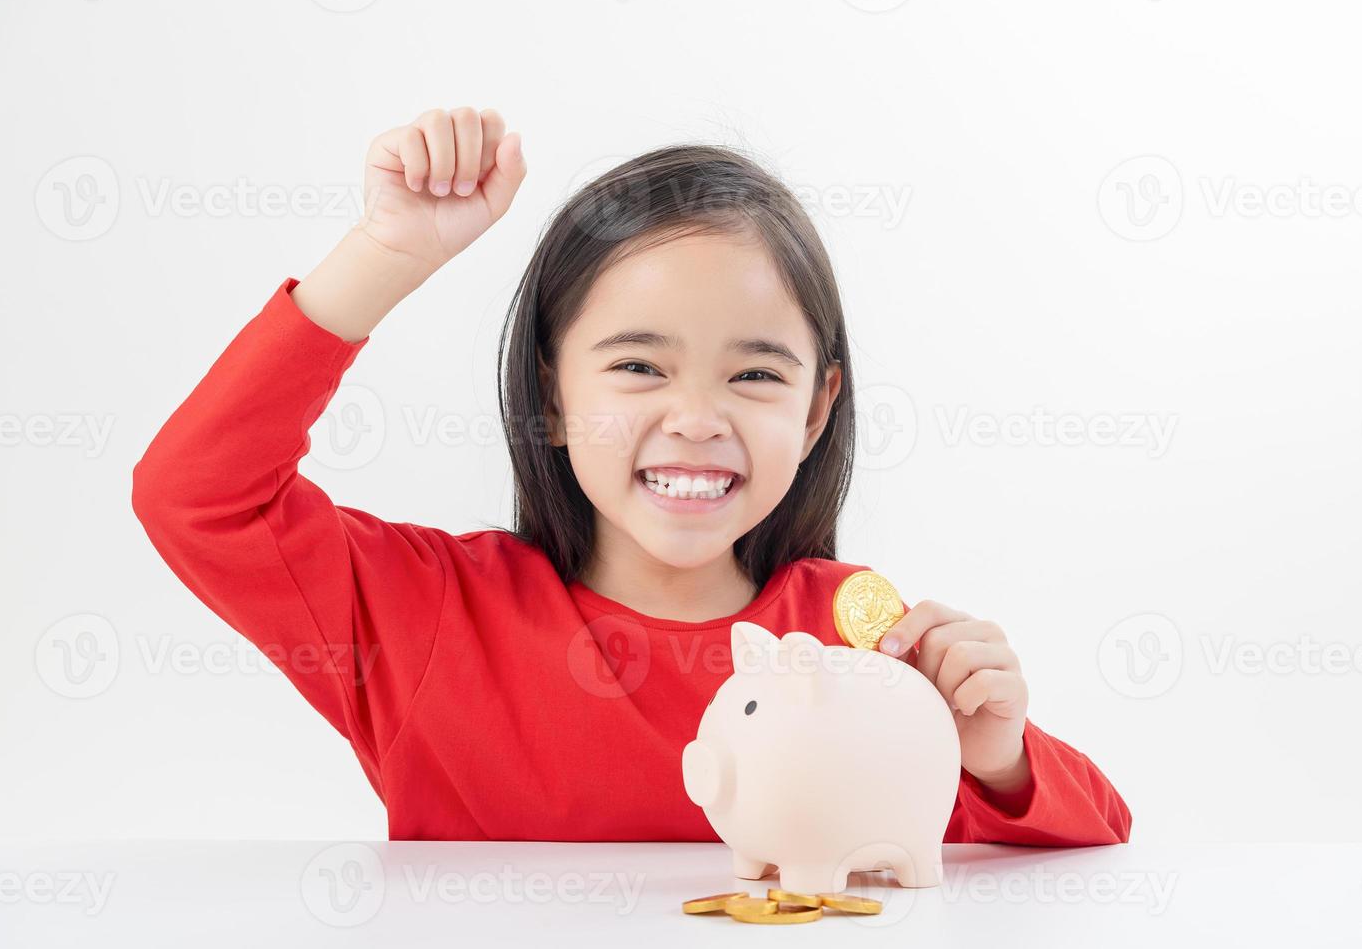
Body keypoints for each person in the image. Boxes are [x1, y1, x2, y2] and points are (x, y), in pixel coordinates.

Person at [132, 107, 1131, 846]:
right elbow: (194, 493)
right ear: (552, 394)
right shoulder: (423, 615)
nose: (696, 418)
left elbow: (1096, 836)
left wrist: (990, 753)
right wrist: (385, 252)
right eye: (639, 365)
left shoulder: (854, 643)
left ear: (817, 407)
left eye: (752, 373)